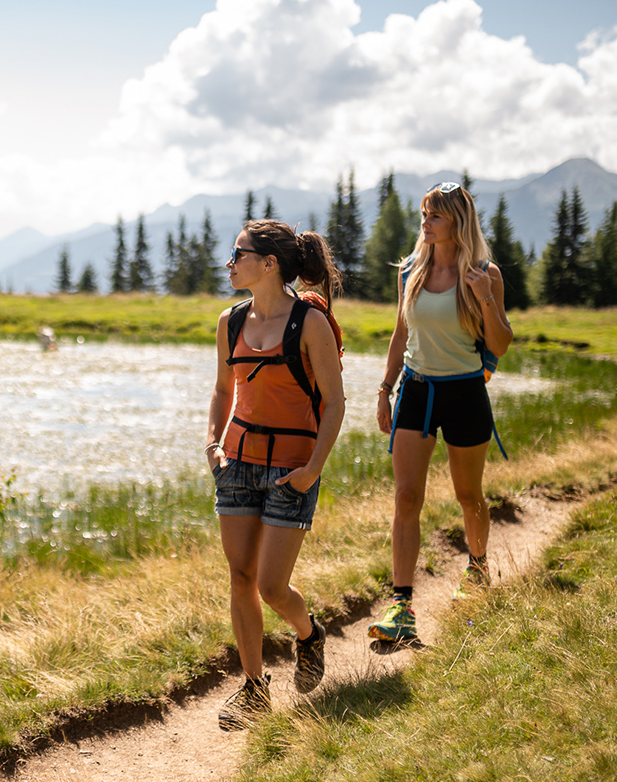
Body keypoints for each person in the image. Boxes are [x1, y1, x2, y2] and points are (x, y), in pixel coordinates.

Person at [206, 220, 345, 730]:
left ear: (269, 264)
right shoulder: (230, 321)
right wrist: (213, 444)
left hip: (292, 470)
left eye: (238, 254)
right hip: (237, 462)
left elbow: (334, 403)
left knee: (271, 586)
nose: (230, 263)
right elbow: (224, 391)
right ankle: (253, 688)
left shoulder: (310, 322)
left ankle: (308, 634)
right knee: (240, 577)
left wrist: (313, 470)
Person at [368, 182, 514, 645]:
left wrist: (486, 296)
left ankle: (477, 569)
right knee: (407, 498)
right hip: (416, 390)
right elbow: (399, 332)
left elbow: (501, 344)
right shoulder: (411, 268)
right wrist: (384, 388)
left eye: (434, 216)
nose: (425, 223)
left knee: (469, 495)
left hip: (466, 392)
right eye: (424, 214)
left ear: (457, 222)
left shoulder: (485, 272)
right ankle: (402, 607)